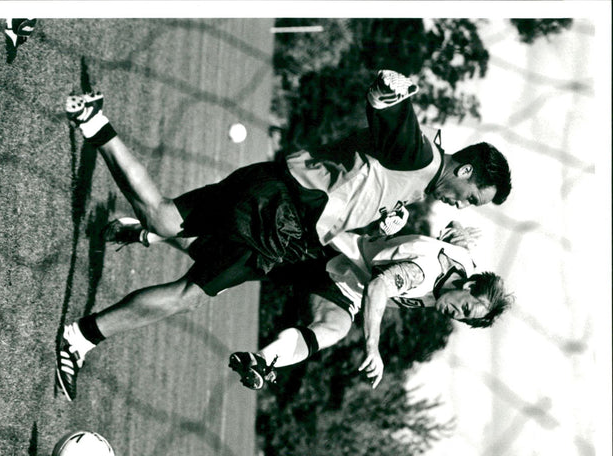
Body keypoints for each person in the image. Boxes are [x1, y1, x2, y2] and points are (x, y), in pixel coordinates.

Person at [55, 70, 513, 401]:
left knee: (164, 218)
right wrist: (388, 92)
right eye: (472, 196)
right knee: (185, 295)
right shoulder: (424, 161)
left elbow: (373, 177)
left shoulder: (421, 182)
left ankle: (94, 122)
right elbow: (388, 110)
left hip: (276, 188)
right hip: (286, 220)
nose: (463, 204)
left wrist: (383, 224)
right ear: (465, 170)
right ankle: (79, 338)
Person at [226, 222, 513, 391]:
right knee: (227, 260)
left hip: (343, 288)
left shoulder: (464, 268)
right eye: (466, 309)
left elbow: (455, 237)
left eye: (465, 319)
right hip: (327, 254)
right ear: (470, 287)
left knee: (334, 329)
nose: (457, 315)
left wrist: (456, 229)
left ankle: (260, 361)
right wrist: (372, 346)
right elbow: (379, 288)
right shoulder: (424, 273)